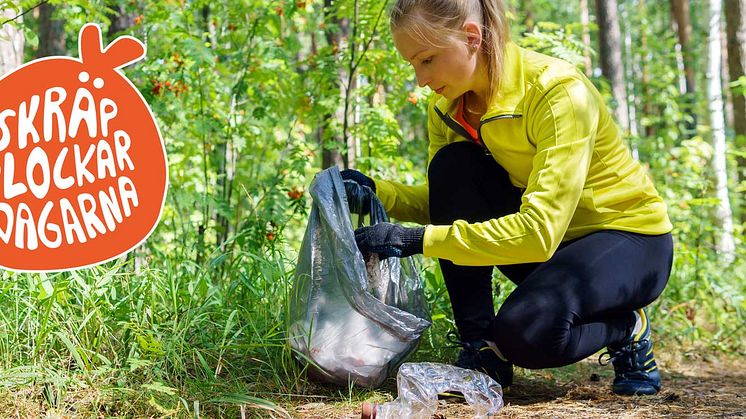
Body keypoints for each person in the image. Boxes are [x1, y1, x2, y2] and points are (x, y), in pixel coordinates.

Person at [340, 0, 674, 396]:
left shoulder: (556, 91)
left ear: (471, 37)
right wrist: (378, 193)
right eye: (413, 65)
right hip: (554, 247)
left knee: (526, 334)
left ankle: (625, 326)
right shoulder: (449, 108)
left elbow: (538, 232)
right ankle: (481, 350)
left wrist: (414, 240)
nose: (420, 79)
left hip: (628, 239)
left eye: (427, 60)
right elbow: (447, 204)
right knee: (453, 164)